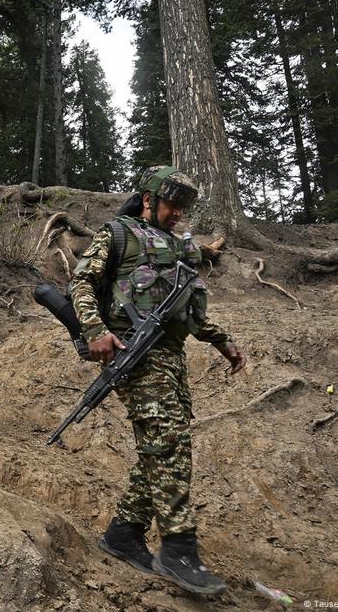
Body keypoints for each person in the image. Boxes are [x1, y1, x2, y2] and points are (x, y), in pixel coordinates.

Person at [69, 165, 246, 596]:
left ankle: (124, 533)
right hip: (131, 352)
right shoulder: (118, 233)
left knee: (163, 445)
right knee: (168, 442)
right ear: (149, 200)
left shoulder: (179, 245)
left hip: (170, 357)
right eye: (172, 205)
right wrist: (95, 331)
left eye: (184, 208)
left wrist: (221, 341)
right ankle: (179, 548)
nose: (178, 214)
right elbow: (81, 282)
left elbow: (185, 307)